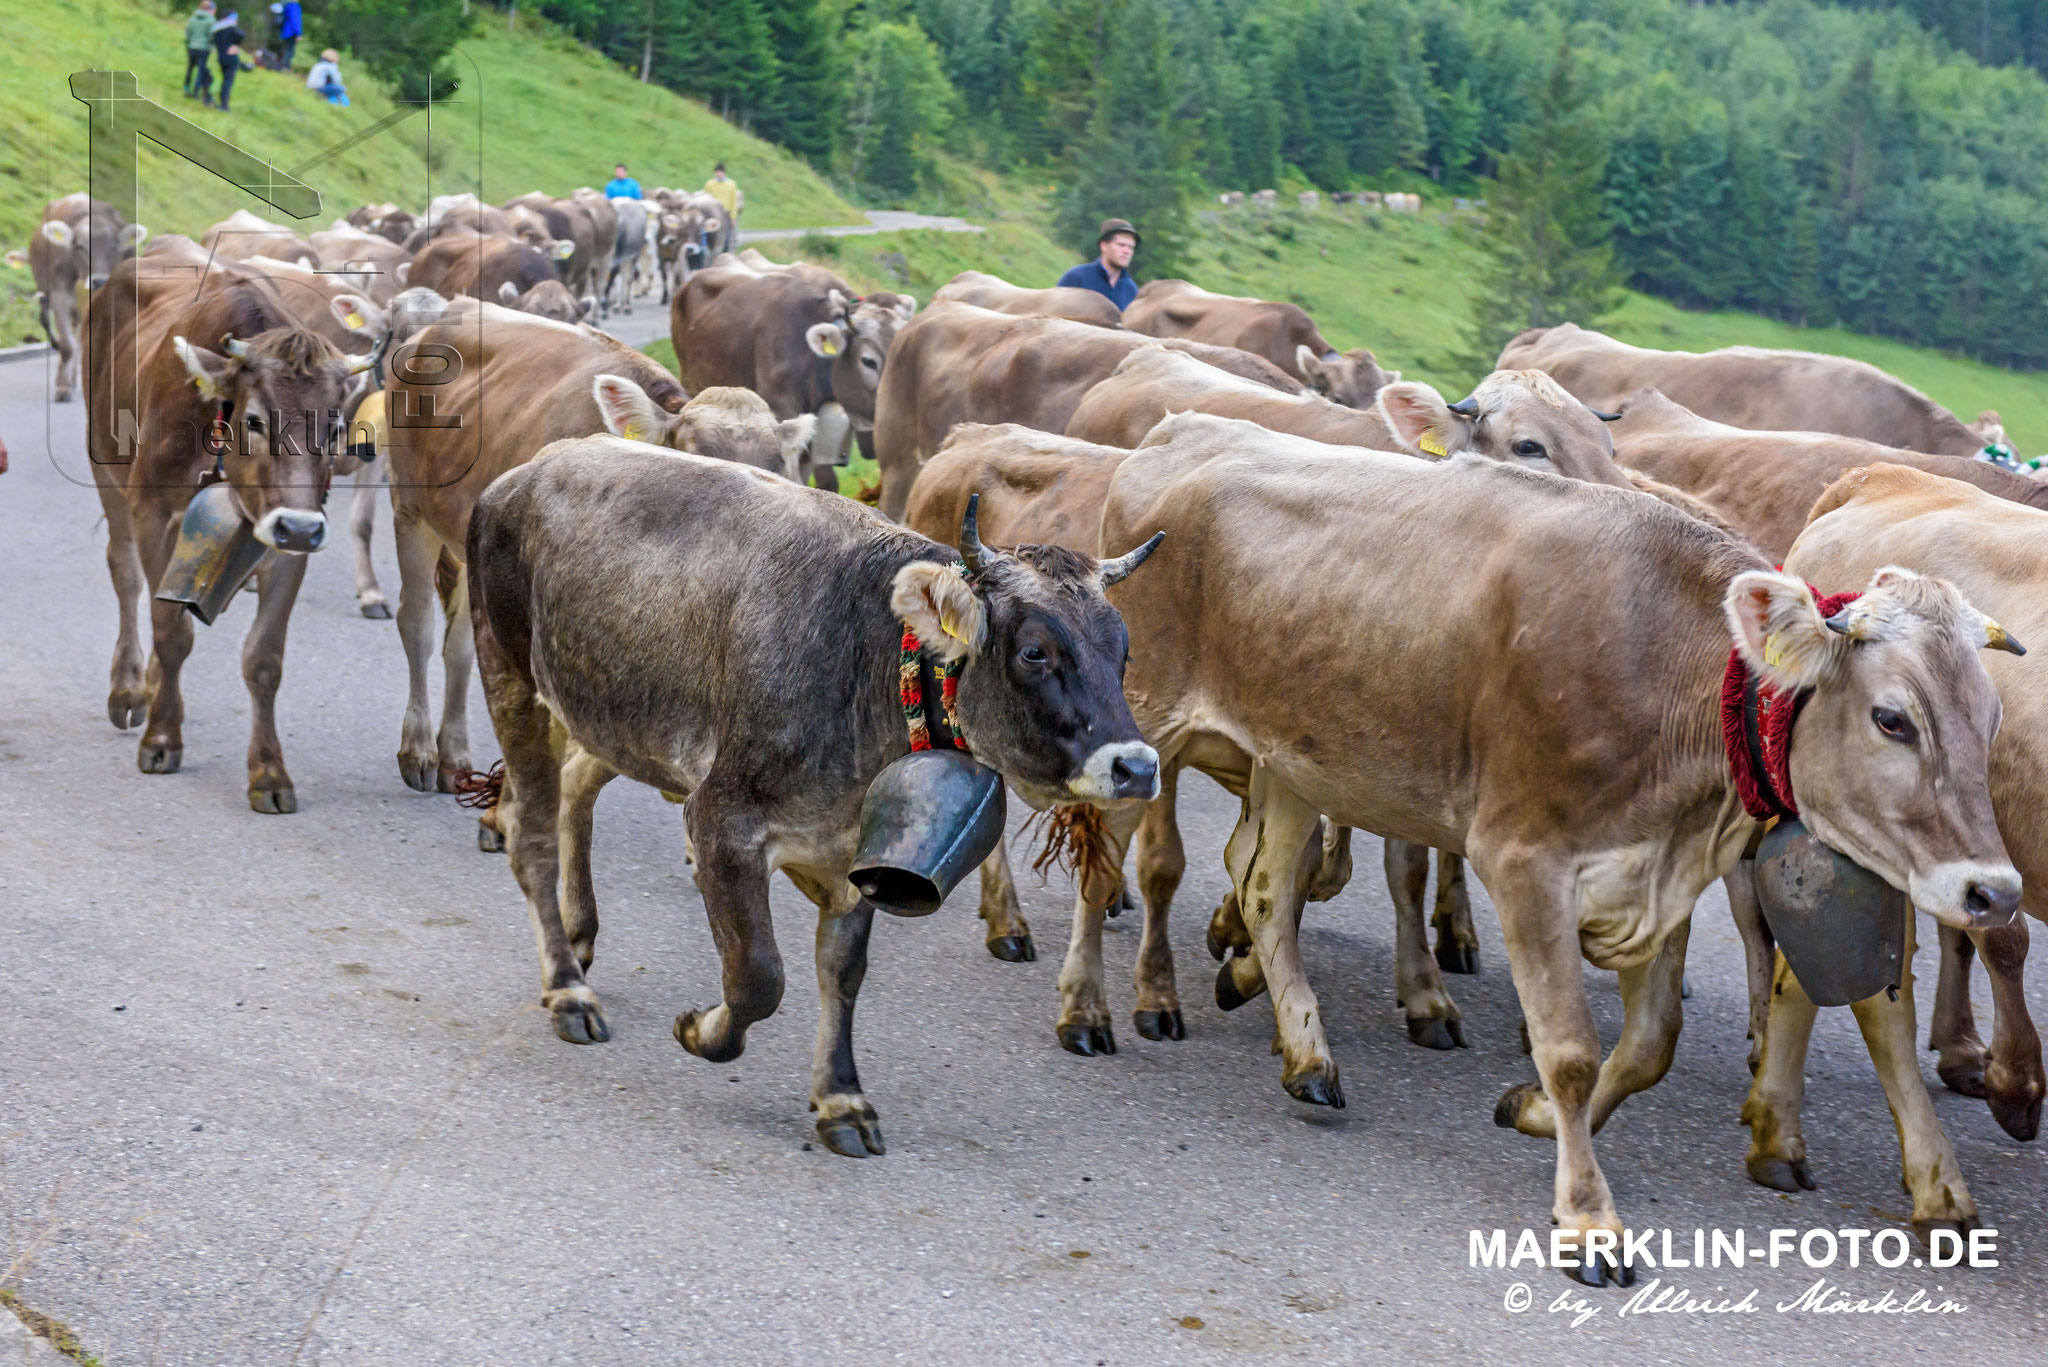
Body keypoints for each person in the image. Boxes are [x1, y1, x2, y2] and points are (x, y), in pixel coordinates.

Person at [1057, 219, 1140, 310]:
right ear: (1104, 246)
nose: (1127, 251)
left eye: (1131, 247)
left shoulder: (1132, 291)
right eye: (1121, 245)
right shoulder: (1076, 277)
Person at [183, 1, 217, 103]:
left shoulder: (193, 17)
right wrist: (212, 45)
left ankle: (186, 88)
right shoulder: (211, 20)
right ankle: (195, 92)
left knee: (190, 68)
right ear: (211, 9)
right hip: (203, 48)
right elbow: (211, 36)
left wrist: (189, 44)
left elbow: (188, 32)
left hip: (192, 47)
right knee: (200, 71)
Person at [211, 12, 244, 110]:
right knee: (228, 82)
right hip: (231, 59)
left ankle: (222, 102)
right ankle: (224, 105)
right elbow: (241, 34)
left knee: (225, 80)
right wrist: (236, 45)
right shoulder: (232, 28)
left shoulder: (217, 30)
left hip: (221, 58)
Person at [270, 1, 302, 68]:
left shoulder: (286, 5)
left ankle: (278, 66)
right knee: (289, 51)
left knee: (284, 50)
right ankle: (284, 68)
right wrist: (298, 33)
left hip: (284, 31)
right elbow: (295, 20)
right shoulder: (294, 6)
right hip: (291, 32)